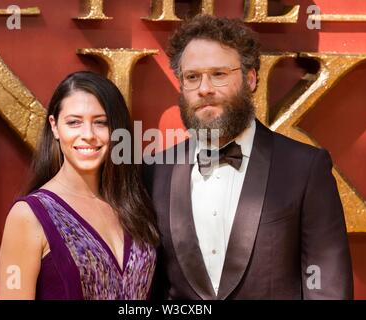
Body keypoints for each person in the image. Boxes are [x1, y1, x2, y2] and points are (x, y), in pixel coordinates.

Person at [144, 15, 353, 299]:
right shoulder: (155, 171)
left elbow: (327, 290)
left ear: (251, 78)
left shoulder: (305, 168)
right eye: (192, 77)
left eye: (219, 74)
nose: (204, 88)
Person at [0, 71, 159, 300]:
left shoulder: (134, 204)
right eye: (74, 122)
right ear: (54, 127)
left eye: (101, 123)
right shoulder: (28, 215)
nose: (88, 135)